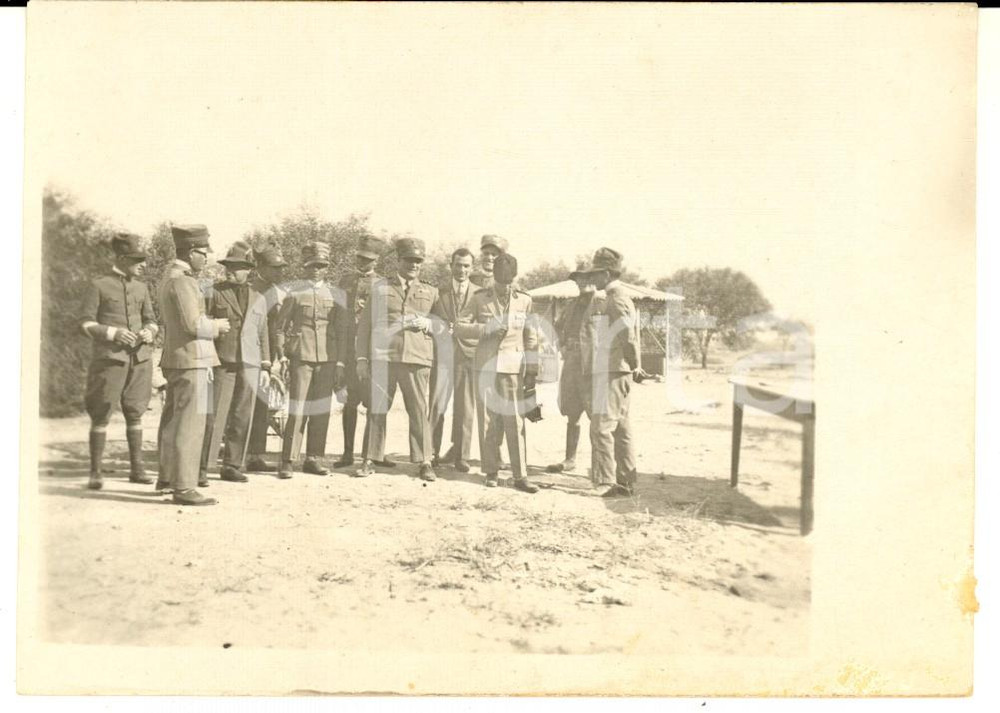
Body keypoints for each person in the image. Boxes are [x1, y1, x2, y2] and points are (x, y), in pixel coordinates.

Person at [354, 237, 442, 481]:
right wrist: (362, 358)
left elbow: (444, 324)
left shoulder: (431, 291)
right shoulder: (380, 288)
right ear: (398, 260)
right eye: (409, 260)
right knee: (377, 408)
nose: (414, 265)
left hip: (417, 357)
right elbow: (364, 327)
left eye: (418, 261)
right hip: (384, 357)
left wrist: (430, 322)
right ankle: (370, 458)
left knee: (418, 410)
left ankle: (425, 461)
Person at [156, 224, 230, 506]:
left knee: (173, 421)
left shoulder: (170, 277)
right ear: (190, 252)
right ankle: (185, 487)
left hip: (177, 358)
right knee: (190, 423)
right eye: (203, 252)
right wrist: (218, 326)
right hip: (191, 359)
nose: (206, 258)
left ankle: (167, 478)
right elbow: (193, 324)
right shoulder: (183, 281)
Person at [79, 232, 159, 490]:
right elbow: (85, 322)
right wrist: (113, 333)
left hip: (140, 359)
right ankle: (96, 472)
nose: (142, 264)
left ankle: (137, 469)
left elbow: (152, 319)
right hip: (110, 359)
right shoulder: (99, 285)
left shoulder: (141, 287)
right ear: (123, 258)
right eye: (138, 259)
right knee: (101, 413)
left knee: (135, 412)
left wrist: (150, 331)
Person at [454, 252, 539, 493]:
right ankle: (491, 471)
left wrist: (531, 370)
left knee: (515, 421)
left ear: (514, 277)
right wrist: (486, 328)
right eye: (501, 281)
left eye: (509, 281)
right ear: (494, 278)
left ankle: (520, 475)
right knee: (489, 422)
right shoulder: (480, 298)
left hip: (513, 369)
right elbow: (459, 327)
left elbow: (531, 337)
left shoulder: (524, 300)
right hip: (486, 368)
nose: (505, 285)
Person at [198, 241, 271, 485]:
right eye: (228, 265)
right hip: (222, 362)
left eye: (237, 266)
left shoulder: (259, 298)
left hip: (249, 364)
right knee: (215, 415)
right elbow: (203, 326)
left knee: (242, 416)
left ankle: (231, 464)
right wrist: (207, 361)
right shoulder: (213, 292)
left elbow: (263, 333)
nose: (230, 270)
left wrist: (265, 365)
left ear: (248, 269)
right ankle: (203, 466)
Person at [578, 248, 641, 497]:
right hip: (615, 368)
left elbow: (629, 336)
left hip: (614, 369)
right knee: (622, 428)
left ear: (606, 272)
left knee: (601, 427)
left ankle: (607, 481)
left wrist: (635, 363)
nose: (593, 278)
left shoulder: (616, 298)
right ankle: (626, 481)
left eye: (596, 273)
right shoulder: (611, 297)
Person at [276, 241, 342, 478]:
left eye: (321, 265)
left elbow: (341, 329)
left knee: (321, 409)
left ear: (326, 268)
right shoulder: (294, 294)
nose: (316, 270)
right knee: (298, 408)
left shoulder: (335, 294)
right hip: (301, 355)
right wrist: (282, 356)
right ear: (305, 267)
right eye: (312, 265)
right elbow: (280, 327)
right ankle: (288, 459)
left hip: (327, 357)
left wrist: (340, 362)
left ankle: (314, 457)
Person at [333, 234, 388, 468]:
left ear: (376, 260)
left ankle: (374, 453)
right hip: (348, 349)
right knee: (350, 401)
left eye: (368, 259)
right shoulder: (345, 281)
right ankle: (347, 453)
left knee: (375, 402)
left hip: (373, 351)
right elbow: (338, 317)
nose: (363, 263)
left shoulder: (384, 284)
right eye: (360, 258)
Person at [429, 247, 477, 473]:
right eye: (458, 265)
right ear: (451, 266)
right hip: (443, 355)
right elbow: (430, 319)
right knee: (437, 404)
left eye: (466, 265)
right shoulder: (438, 292)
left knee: (465, 407)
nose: (462, 270)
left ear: (472, 268)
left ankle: (462, 456)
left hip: (468, 355)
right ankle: (430, 453)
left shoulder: (479, 294)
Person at [546, 270, 598, 474]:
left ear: (593, 280)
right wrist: (562, 346)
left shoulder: (602, 304)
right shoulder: (571, 305)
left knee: (597, 415)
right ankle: (570, 459)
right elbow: (557, 327)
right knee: (572, 412)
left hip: (593, 366)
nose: (581, 283)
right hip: (572, 362)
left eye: (585, 279)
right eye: (578, 280)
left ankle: (599, 464)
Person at [245, 245, 289, 472]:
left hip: (270, 354)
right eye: (275, 268)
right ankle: (244, 453)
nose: (280, 272)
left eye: (281, 268)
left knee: (262, 405)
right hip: (255, 355)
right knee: (248, 404)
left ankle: (255, 454)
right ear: (261, 267)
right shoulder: (253, 291)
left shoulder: (274, 290)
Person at [469, 234, 508, 469]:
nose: (489, 258)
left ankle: (497, 451)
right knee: (477, 410)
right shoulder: (472, 281)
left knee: (501, 410)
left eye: (495, 254)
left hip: (503, 357)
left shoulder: (511, 284)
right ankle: (486, 459)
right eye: (486, 253)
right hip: (475, 353)